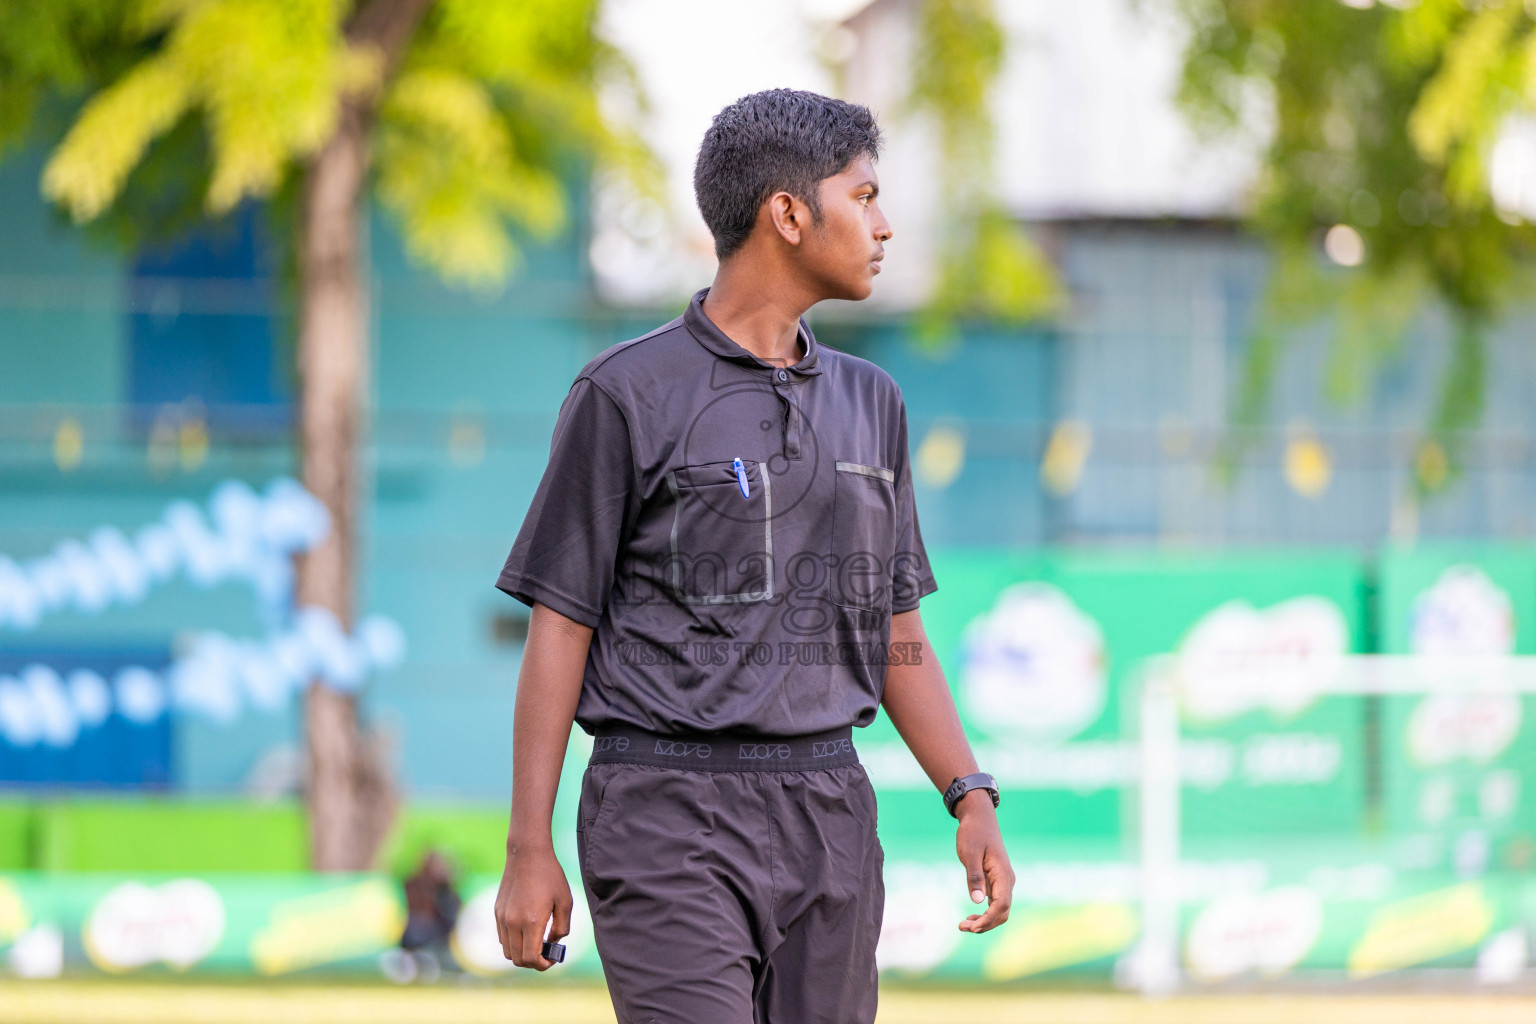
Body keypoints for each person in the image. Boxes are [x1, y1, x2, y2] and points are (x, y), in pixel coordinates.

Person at [492, 87, 1014, 1024]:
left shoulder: (875, 402)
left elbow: (894, 626)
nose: (884, 225)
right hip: (662, 808)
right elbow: (559, 625)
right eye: (863, 197)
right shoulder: (624, 393)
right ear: (787, 213)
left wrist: (967, 792)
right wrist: (529, 846)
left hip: (830, 811)